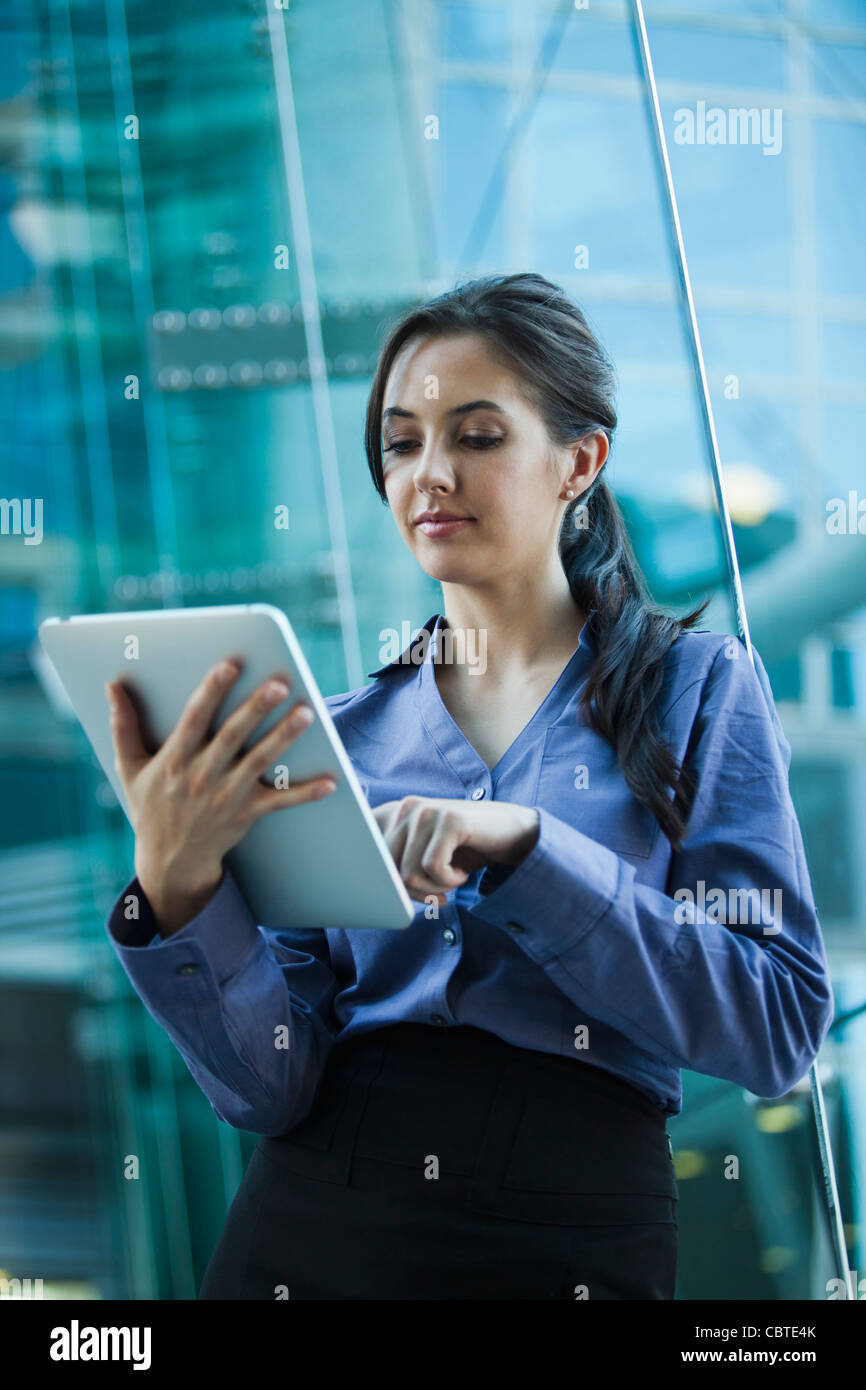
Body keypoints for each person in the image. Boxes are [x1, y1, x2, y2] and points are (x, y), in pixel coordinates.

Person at [103, 272, 834, 1301]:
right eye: (402, 443)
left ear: (578, 460)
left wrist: (530, 848)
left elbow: (775, 1025)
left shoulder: (700, 690)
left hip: (576, 1217)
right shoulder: (336, 738)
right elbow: (269, 1086)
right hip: (318, 1210)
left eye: (477, 436)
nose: (428, 474)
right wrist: (179, 893)